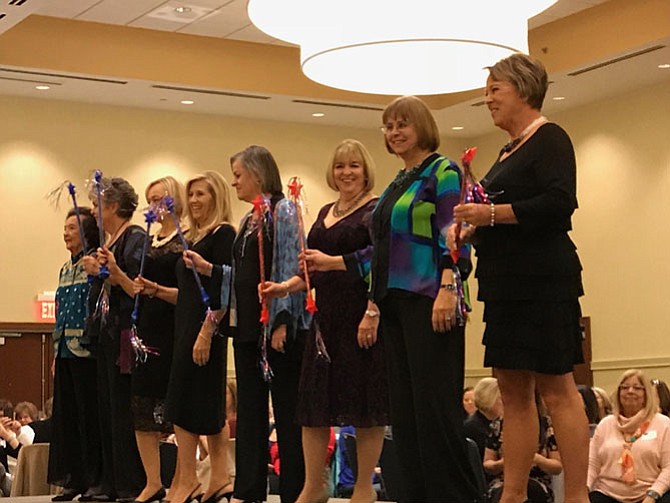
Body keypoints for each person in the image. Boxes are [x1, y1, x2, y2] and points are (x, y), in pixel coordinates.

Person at [450, 53, 589, 503]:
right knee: (512, 390)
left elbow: (558, 203)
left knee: (557, 386)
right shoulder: (508, 151)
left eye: (496, 89)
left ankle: (577, 495)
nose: (487, 98)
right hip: (505, 284)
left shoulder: (551, 138)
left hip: (543, 279)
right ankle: (512, 494)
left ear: (524, 90)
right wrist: (474, 227)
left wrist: (490, 213)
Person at [262, 139, 389, 503]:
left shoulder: (376, 211)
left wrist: (371, 311)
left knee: (365, 406)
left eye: (353, 165)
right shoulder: (323, 212)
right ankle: (313, 485)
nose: (346, 172)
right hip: (325, 320)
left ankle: (364, 487)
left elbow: (379, 260)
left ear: (366, 170)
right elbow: (311, 270)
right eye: (339, 166)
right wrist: (284, 287)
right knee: (314, 407)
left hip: (361, 316)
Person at [369, 95, 478, 503]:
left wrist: (450, 284)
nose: (394, 133)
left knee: (435, 413)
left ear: (422, 127)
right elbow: (380, 247)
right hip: (395, 302)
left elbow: (455, 231)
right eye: (389, 126)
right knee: (407, 415)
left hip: (432, 298)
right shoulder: (398, 180)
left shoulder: (443, 170)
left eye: (403, 125)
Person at [226, 145, 308, 503]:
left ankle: (293, 490)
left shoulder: (283, 211)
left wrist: (282, 320)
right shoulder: (248, 219)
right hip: (247, 330)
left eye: (239, 175)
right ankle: (249, 489)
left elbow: (291, 264)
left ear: (258, 174)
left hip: (276, 329)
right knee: (249, 413)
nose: (234, 182)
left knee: (287, 414)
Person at [111, 176, 185, 503]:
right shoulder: (152, 239)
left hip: (173, 329)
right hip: (145, 331)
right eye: (150, 199)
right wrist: (123, 278)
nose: (155, 205)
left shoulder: (185, 239)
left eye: (161, 198)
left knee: (176, 413)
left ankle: (184, 480)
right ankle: (152, 481)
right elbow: (136, 291)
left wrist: (155, 290)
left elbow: (189, 296)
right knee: (140, 409)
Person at [163, 171, 236, 503]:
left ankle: (189, 478)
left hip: (205, 328)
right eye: (190, 194)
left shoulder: (223, 235)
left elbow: (224, 289)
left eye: (201, 194)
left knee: (187, 404)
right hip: (185, 326)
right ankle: (218, 476)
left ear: (216, 197)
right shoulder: (193, 237)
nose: (193, 201)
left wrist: (207, 332)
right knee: (200, 404)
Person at [83, 176, 146, 502]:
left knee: (122, 408)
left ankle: (128, 482)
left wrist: (104, 271)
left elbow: (134, 284)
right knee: (106, 407)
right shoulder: (109, 240)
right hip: (106, 332)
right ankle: (110, 480)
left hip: (124, 331)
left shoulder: (135, 238)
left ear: (113, 206)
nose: (93, 211)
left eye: (97, 204)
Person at [48, 206, 103, 502]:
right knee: (67, 417)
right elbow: (60, 314)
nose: (66, 233)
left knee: (88, 417)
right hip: (65, 352)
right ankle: (74, 478)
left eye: (72, 228)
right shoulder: (65, 268)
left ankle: (95, 478)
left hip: (87, 353)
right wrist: (56, 355)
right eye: (65, 227)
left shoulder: (94, 265)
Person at [588, 369, 670, 503]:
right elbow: (592, 464)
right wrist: (584, 488)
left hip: (650, 494)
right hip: (607, 494)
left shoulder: (663, 424)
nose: (630, 391)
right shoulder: (605, 424)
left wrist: (652, 496)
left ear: (646, 394)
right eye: (625, 387)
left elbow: (669, 467)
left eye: (637, 388)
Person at [484, 393, 562, 503]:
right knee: (502, 493)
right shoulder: (498, 424)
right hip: (503, 481)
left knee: (532, 490)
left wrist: (537, 459)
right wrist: (502, 463)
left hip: (536, 480)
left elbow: (557, 467)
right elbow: (487, 463)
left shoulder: (547, 425)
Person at [464, 377, 504, 460]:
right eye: (500, 398)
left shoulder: (498, 422)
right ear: (490, 399)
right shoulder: (472, 427)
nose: (503, 403)